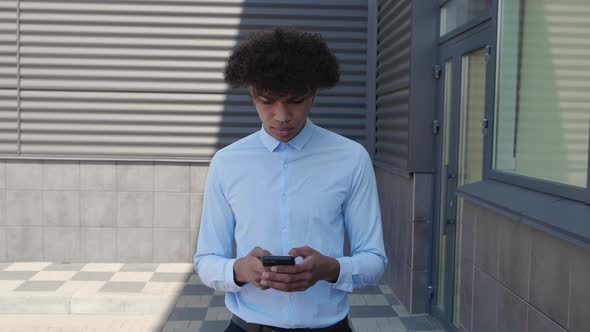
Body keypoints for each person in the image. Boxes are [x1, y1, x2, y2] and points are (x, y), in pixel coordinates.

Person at [194, 26, 387, 332]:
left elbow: (375, 259)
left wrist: (332, 269)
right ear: (252, 94)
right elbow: (206, 259)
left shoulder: (351, 158)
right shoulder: (226, 163)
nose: (281, 115)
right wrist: (238, 270)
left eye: (295, 100)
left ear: (313, 93)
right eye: (267, 101)